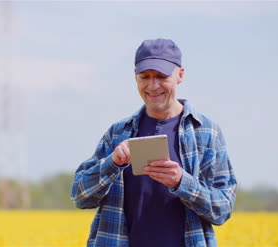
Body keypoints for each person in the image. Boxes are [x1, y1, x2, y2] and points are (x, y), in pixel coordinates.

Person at [71, 38, 237, 247]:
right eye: (145, 77)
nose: (152, 85)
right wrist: (112, 163)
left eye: (161, 76)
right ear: (135, 76)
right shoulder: (118, 133)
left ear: (180, 75)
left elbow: (223, 209)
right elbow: (80, 196)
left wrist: (181, 183)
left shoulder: (206, 133)